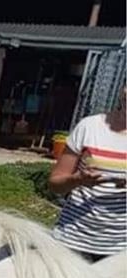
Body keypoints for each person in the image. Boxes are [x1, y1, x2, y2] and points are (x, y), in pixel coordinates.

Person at [48, 87, 126, 262]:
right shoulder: (89, 127)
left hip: (120, 250)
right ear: (122, 90)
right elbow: (55, 184)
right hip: (72, 239)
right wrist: (77, 180)